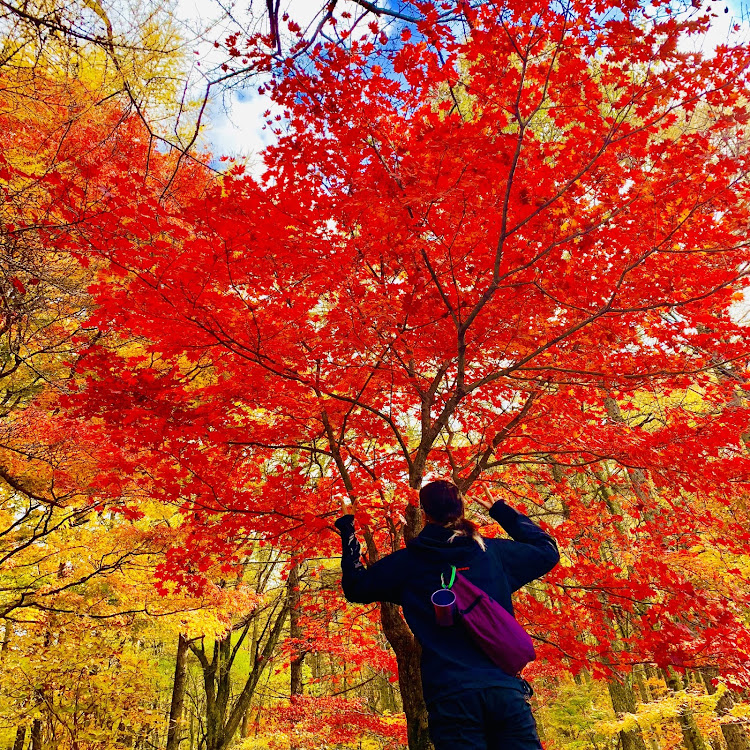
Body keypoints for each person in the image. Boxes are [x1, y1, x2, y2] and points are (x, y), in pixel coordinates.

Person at [334, 479, 559, 750]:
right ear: (462, 509)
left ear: (424, 513)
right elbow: (547, 551)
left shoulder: (409, 564)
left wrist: (348, 528)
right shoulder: (492, 554)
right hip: (504, 690)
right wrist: (501, 511)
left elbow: (356, 586)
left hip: (450, 697)